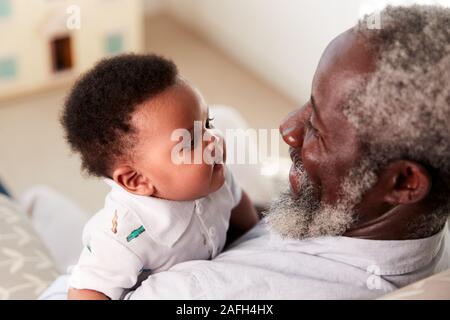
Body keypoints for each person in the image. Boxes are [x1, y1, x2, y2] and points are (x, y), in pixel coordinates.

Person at [42, 4, 450, 299]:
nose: (288, 129)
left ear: (404, 182)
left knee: (38, 202)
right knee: (224, 117)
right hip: (107, 264)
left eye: (317, 129)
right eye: (307, 101)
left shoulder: (196, 293)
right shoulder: (418, 229)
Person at [60, 55, 259, 300]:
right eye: (191, 141)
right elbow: (86, 291)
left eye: (208, 122)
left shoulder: (215, 175)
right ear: (137, 180)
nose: (214, 139)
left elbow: (239, 205)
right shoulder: (122, 236)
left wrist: (258, 240)